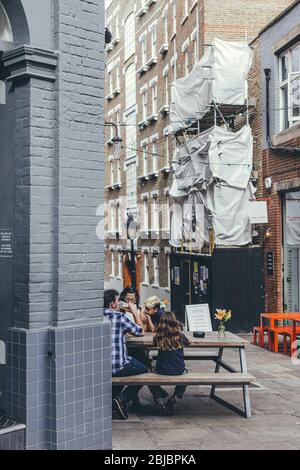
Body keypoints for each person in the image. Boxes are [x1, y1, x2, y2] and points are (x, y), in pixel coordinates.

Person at [104, 289, 147, 420]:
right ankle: (122, 398)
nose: (119, 304)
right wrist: (133, 311)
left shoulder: (93, 318)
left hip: (99, 367)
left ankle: (112, 401)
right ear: (112, 304)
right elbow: (141, 331)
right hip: (118, 366)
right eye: (118, 301)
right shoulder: (118, 317)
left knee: (125, 371)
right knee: (145, 369)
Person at [153, 311, 192, 415]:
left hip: (161, 370)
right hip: (179, 370)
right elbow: (189, 342)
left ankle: (160, 398)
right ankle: (175, 397)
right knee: (186, 376)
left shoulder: (158, 336)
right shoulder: (180, 336)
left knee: (147, 374)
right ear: (175, 322)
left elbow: (153, 342)